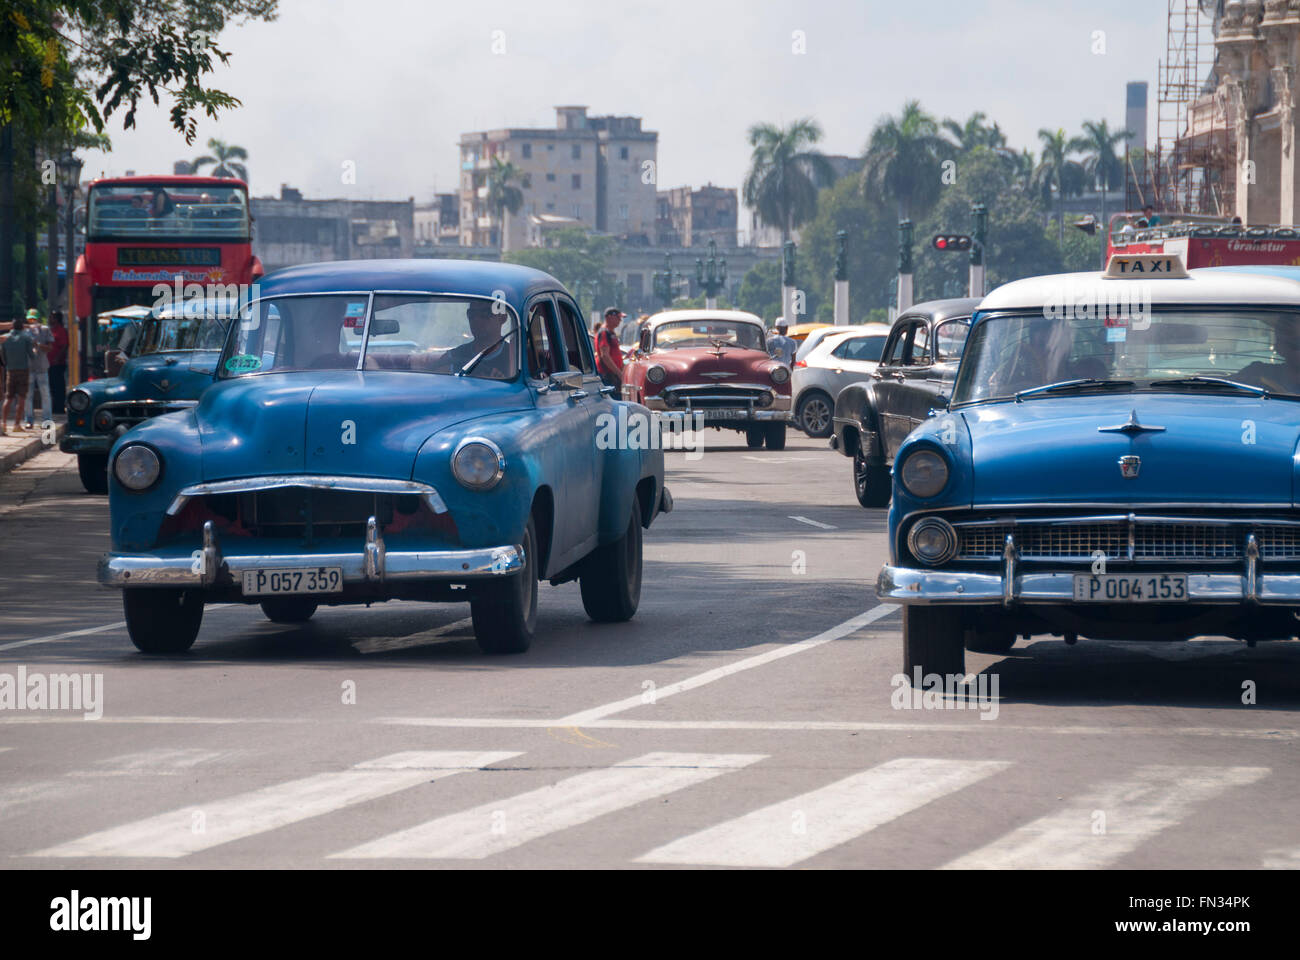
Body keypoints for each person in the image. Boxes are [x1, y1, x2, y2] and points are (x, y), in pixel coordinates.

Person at [415, 299, 515, 378]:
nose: (476, 319)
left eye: (485, 313)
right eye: (472, 314)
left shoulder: (514, 358)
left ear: (502, 318)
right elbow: (435, 384)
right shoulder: (453, 356)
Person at [1, 316, 36, 435]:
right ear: (22, 327)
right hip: (23, 371)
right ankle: (16, 424)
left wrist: (8, 364)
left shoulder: (5, 339)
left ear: (12, 326)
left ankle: (4, 423)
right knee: (21, 398)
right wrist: (35, 350)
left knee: (8, 398)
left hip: (10, 370)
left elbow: (3, 357)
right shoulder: (26, 338)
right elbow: (32, 355)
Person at [23, 308, 53, 429]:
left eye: (34, 319)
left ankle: (47, 420)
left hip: (41, 367)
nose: (32, 322)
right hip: (28, 367)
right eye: (30, 319)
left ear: (38, 319)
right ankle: (29, 419)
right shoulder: (25, 331)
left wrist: (39, 345)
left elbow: (50, 347)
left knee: (45, 394)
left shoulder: (45, 330)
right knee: (27, 395)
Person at [594, 307, 625, 390]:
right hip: (608, 376)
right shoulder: (604, 332)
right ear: (609, 317)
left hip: (613, 375)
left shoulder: (611, 332)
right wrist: (619, 373)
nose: (620, 320)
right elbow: (605, 356)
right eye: (618, 317)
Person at [47, 311, 69, 412]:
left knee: (58, 386)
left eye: (51, 318)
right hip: (49, 363)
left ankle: (59, 407)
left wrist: (57, 358)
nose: (49, 320)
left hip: (57, 363)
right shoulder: (50, 330)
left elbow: (64, 346)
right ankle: (54, 407)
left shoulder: (61, 330)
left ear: (56, 319)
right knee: (52, 386)